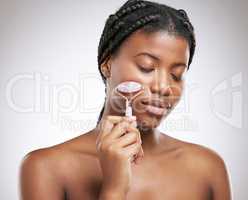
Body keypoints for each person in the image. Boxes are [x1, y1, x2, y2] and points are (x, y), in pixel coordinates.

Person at [19, 0, 232, 199]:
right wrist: (114, 189)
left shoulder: (208, 168)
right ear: (107, 64)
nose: (164, 87)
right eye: (146, 67)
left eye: (176, 74)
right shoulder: (46, 168)